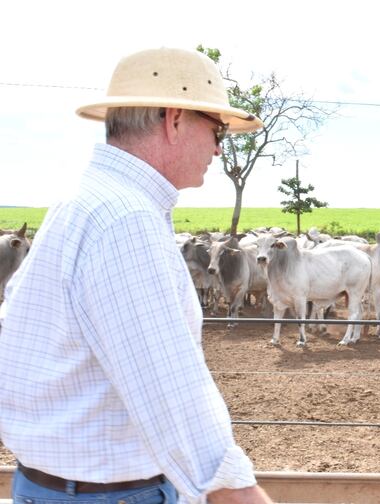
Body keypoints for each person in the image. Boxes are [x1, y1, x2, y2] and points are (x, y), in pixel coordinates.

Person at [0, 48, 274, 504]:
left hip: (52, 484)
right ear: (174, 121)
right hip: (109, 495)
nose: (220, 146)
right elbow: (171, 390)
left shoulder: (81, 203)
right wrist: (237, 493)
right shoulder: (125, 220)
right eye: (217, 128)